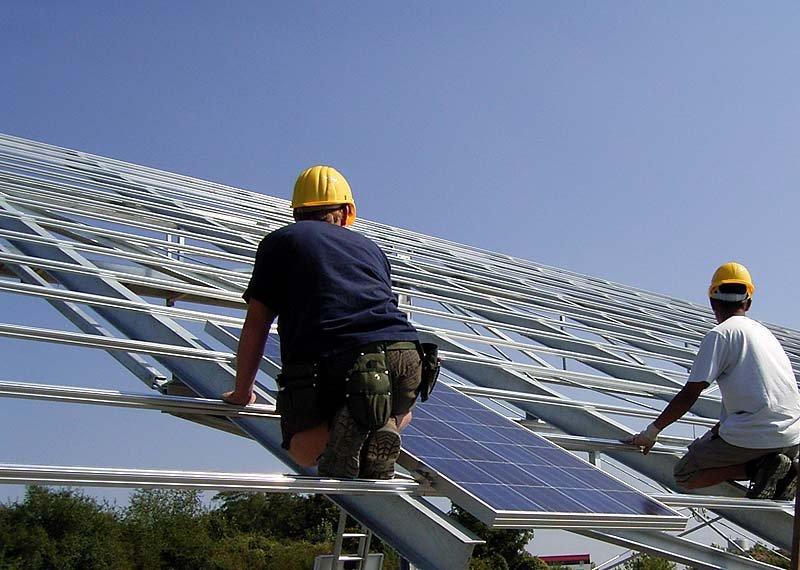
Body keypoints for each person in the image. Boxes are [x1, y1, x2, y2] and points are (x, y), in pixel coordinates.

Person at [222, 165, 423, 480]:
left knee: (302, 452)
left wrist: (241, 391)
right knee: (402, 408)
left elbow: (256, 325)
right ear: (345, 212)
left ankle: (353, 421)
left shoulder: (280, 241)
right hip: (407, 355)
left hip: (339, 356)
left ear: (297, 212)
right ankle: (379, 421)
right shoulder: (372, 248)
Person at [624, 262, 800, 499]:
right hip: (793, 438)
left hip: (759, 437)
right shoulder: (765, 335)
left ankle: (759, 468)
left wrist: (651, 432)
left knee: (685, 473)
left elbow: (690, 393)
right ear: (747, 302)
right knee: (720, 438)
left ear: (712, 302)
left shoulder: (721, 334)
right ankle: (780, 468)